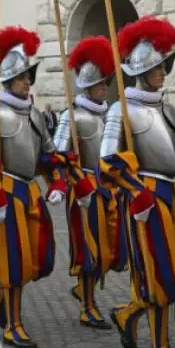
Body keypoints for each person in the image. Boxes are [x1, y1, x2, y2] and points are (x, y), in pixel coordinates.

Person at [100, 16, 175, 348]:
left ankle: (128, 312)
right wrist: (136, 193)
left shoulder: (168, 109)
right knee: (160, 276)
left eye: (164, 65)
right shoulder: (121, 110)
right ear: (139, 71)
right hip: (145, 201)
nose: (163, 71)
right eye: (156, 67)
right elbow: (109, 162)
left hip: (173, 197)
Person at [0, 26, 68, 348]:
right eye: (23, 76)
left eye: (30, 76)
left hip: (31, 194)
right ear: (9, 80)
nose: (28, 81)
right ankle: (13, 324)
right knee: (11, 262)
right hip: (5, 194)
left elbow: (49, 156)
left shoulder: (37, 116)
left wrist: (57, 182)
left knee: (35, 259)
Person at [54, 36, 126, 330]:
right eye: (100, 83)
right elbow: (60, 156)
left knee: (108, 248)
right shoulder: (72, 117)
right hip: (83, 191)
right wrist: (75, 183)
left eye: (106, 82)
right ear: (87, 85)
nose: (105, 87)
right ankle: (87, 305)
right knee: (88, 249)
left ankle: (86, 291)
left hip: (108, 190)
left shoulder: (111, 114)